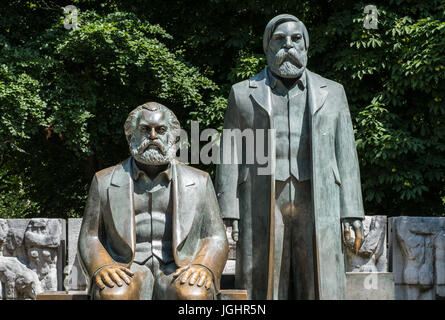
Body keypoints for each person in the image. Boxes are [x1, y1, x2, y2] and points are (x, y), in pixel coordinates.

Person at [216, 14, 365, 299]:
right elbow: (229, 154)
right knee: (264, 277)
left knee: (317, 276)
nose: (288, 46)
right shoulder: (241, 93)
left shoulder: (333, 92)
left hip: (318, 194)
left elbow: (346, 153)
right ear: (267, 47)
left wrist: (352, 210)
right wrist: (227, 210)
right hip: (261, 195)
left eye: (296, 39)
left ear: (306, 46)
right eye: (279, 40)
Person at [78, 102, 228, 300]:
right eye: (145, 130)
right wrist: (102, 265)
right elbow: (90, 237)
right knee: (114, 295)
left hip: (180, 268)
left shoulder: (199, 181)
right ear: (131, 136)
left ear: (173, 136)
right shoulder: (104, 181)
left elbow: (215, 236)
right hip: (127, 268)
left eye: (161, 129)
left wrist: (203, 266)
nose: (153, 136)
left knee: (193, 294)